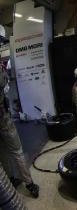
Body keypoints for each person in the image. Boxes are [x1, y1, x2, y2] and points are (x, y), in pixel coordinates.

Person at [0, 61, 39, 198]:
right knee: (17, 151)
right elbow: (4, 85)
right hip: (3, 118)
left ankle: (10, 178)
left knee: (3, 151)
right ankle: (29, 184)